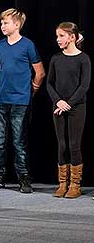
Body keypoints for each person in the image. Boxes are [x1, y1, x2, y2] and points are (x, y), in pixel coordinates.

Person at [0, 8, 45, 193]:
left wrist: (32, 89)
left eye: (6, 23)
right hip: (1, 99)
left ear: (17, 25)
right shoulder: (0, 45)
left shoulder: (27, 45)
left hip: (21, 101)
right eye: (1, 23)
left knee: (19, 141)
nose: (2, 26)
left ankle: (23, 177)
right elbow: (2, 68)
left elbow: (39, 72)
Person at [47, 22, 90, 199]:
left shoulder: (83, 58)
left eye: (62, 36)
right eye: (57, 36)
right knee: (61, 144)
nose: (58, 39)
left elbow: (84, 85)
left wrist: (68, 103)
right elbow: (49, 83)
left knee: (74, 144)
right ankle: (62, 183)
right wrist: (58, 101)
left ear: (72, 37)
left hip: (77, 107)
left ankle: (75, 185)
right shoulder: (56, 58)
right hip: (58, 107)